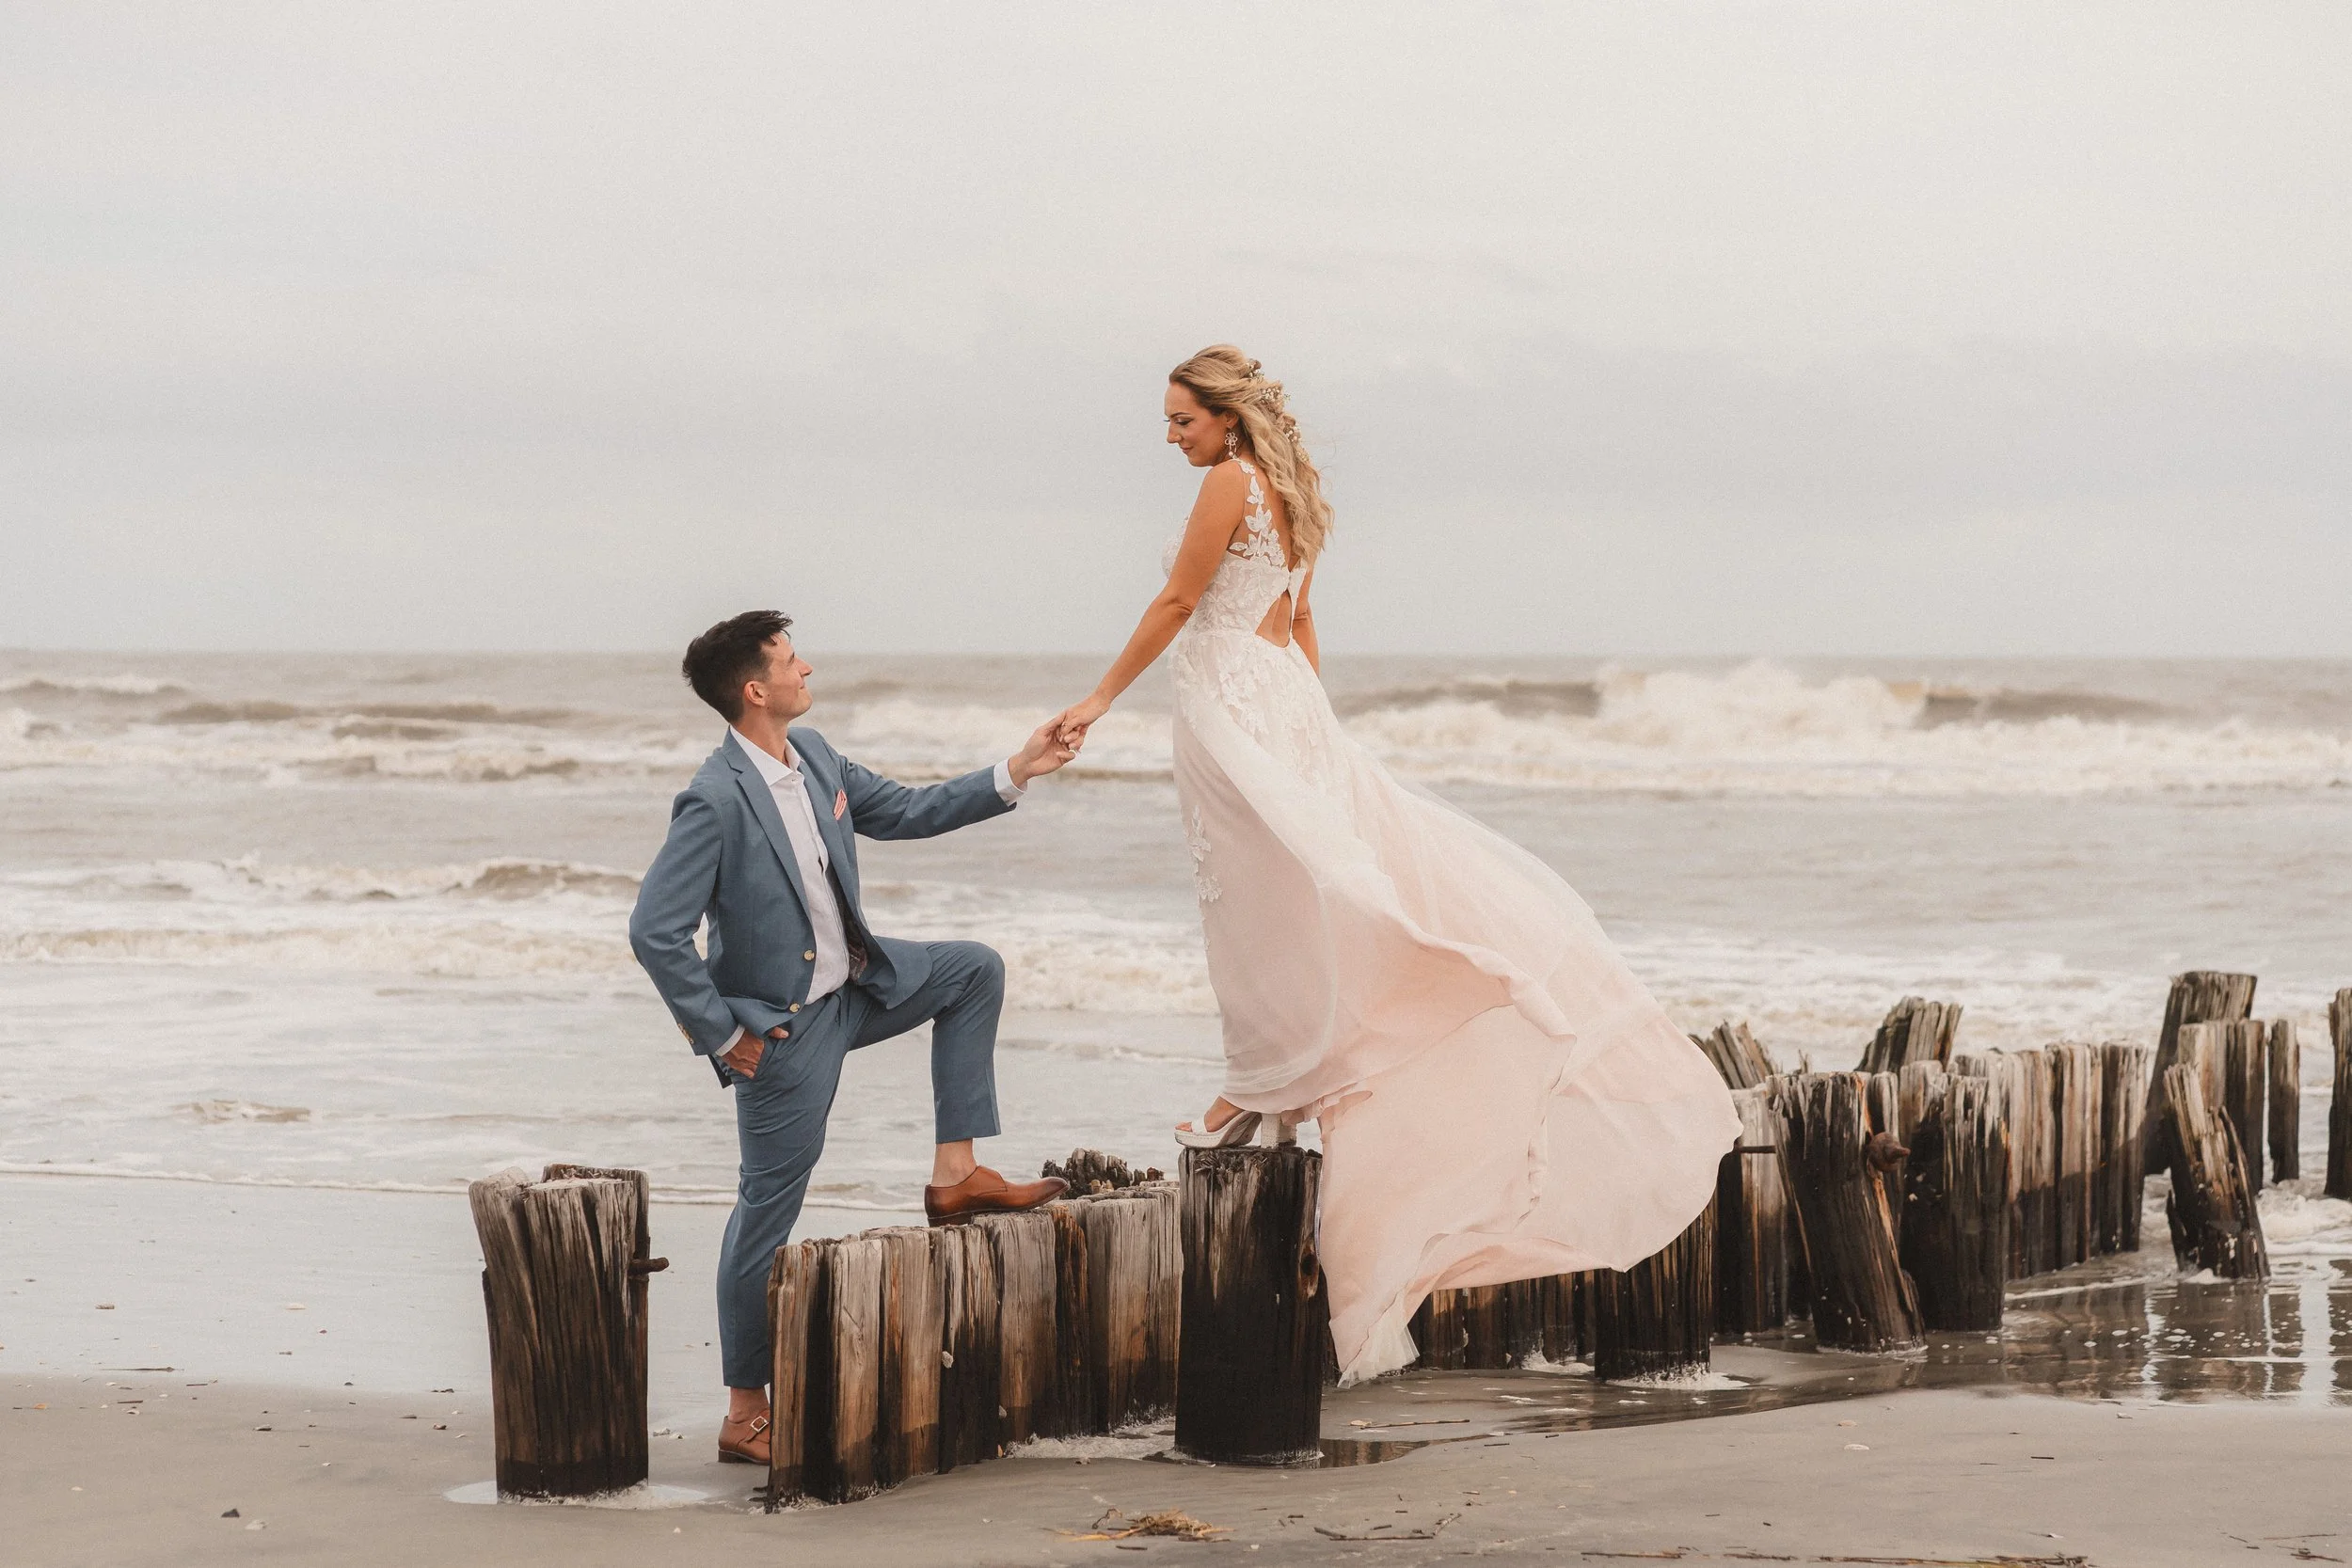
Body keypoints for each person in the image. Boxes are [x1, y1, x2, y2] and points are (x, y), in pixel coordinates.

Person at [1051, 346, 1740, 1383]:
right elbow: (1300, 618)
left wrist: (1097, 700)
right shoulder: (1290, 489)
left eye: (1181, 418)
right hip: (1279, 691)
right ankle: (1277, 1079)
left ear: (1227, 419)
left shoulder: (1230, 481)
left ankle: (1265, 1079)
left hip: (1237, 698)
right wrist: (1314, 729)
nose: (1170, 435)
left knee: (1255, 899)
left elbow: (1177, 604)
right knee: (1283, 891)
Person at [629, 610, 1077, 1465]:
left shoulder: (820, 757)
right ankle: (743, 1408)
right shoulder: (715, 797)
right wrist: (724, 1035)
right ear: (756, 690)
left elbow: (908, 809)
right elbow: (654, 930)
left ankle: (956, 1173)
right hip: (785, 1028)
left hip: (860, 986)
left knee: (972, 968)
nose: (809, 668)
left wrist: (1018, 768)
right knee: (767, 1209)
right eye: (792, 660)